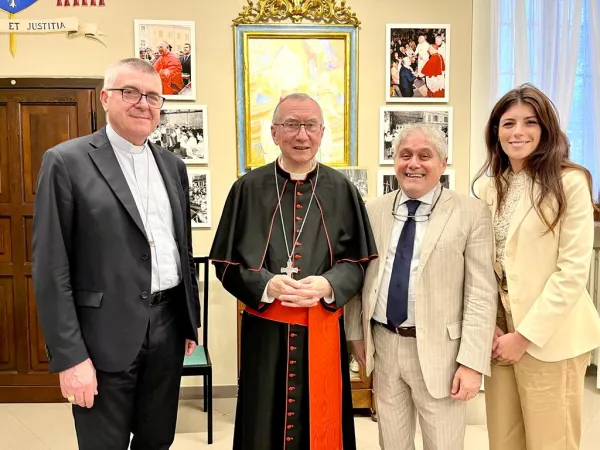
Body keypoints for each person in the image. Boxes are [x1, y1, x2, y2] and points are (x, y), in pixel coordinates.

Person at [32, 58, 200, 450]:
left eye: (153, 96)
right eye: (131, 93)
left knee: (157, 440)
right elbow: (50, 267)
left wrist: (187, 320)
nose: (144, 103)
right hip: (101, 337)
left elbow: (181, 247)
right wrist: (70, 358)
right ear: (105, 98)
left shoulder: (173, 166)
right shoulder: (66, 162)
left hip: (167, 328)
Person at [209, 93, 377, 450]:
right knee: (262, 425)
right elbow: (224, 263)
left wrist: (328, 284)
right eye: (291, 125)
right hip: (265, 332)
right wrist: (266, 284)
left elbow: (358, 262)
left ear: (321, 132)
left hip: (322, 328)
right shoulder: (246, 188)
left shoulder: (343, 190)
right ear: (274, 132)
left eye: (310, 125)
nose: (301, 135)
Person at [345, 122, 497, 450]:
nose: (414, 163)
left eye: (424, 156)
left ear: (442, 164)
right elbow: (358, 278)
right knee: (392, 442)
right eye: (405, 155)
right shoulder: (373, 209)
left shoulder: (471, 213)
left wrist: (472, 363)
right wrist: (356, 334)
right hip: (384, 345)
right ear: (395, 161)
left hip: (442, 352)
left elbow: (482, 294)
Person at [473, 83, 600, 450]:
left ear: (545, 130)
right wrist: (491, 328)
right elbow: (484, 265)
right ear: (496, 132)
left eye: (530, 122)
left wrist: (524, 336)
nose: (518, 132)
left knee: (551, 443)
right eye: (508, 123)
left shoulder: (570, 182)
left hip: (549, 338)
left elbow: (573, 272)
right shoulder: (488, 188)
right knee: (504, 441)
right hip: (499, 337)